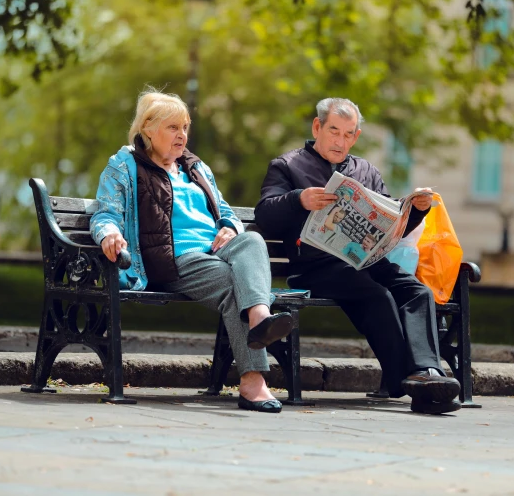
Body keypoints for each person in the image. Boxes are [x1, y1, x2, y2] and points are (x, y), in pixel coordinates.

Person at [90, 88, 294, 413]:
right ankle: (253, 380)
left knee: (252, 240)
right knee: (233, 284)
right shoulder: (125, 165)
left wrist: (230, 227)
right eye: (173, 127)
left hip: (217, 253)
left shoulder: (197, 168)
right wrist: (109, 235)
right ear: (148, 130)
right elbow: (105, 214)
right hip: (172, 260)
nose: (182, 135)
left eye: (185, 127)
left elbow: (225, 210)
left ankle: (259, 318)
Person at [255, 97, 461, 414]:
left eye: (348, 134)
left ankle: (427, 371)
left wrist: (415, 213)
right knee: (376, 296)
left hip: (367, 260)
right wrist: (299, 200)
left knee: (416, 291)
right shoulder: (287, 166)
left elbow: (393, 224)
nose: (340, 141)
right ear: (317, 127)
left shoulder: (366, 170)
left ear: (356, 136)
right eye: (334, 131)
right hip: (316, 267)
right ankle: (412, 383)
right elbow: (265, 214)